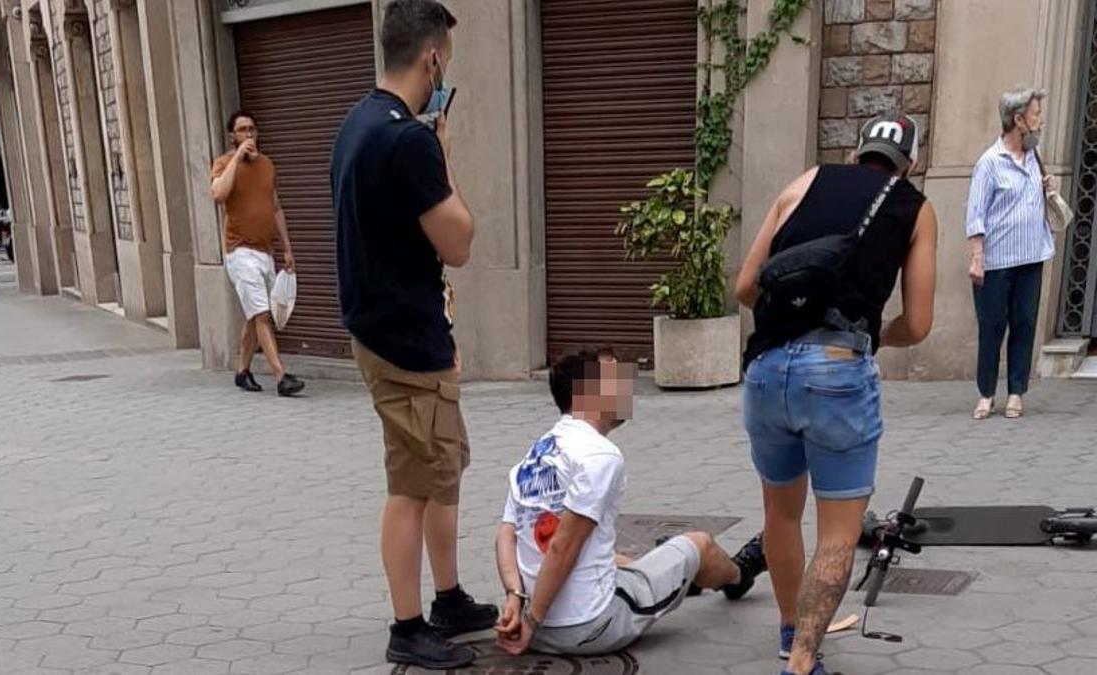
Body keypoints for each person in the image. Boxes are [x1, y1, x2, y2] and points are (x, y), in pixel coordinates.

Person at [734, 112, 938, 675]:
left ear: (857, 152)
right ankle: (801, 663)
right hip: (837, 368)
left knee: (780, 514)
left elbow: (745, 286)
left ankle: (787, 631)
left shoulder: (803, 183)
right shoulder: (915, 206)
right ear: (910, 162)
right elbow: (918, 323)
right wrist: (876, 336)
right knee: (839, 534)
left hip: (767, 370)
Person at [331, 0, 493, 669]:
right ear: (431, 58)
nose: (443, 72)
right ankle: (407, 623)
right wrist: (444, 156)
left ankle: (448, 597)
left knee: (441, 467)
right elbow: (458, 240)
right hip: (402, 340)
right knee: (412, 482)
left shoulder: (357, 122)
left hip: (396, 327)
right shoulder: (410, 139)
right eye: (445, 62)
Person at [493, 349, 767, 657]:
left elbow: (507, 535)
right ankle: (738, 576)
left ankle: (676, 572)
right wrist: (532, 621)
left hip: (540, 625)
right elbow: (562, 546)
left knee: (618, 558)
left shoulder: (534, 456)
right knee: (699, 544)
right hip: (591, 625)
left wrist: (515, 600)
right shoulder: (599, 455)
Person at [965, 87, 1056, 420]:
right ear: (1018, 120)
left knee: (1025, 323)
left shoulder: (1034, 157)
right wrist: (978, 257)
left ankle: (1016, 392)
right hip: (997, 260)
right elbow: (975, 213)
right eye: (1035, 115)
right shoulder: (990, 163)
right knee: (992, 327)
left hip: (1031, 256)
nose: (1040, 121)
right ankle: (986, 394)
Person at [209, 110, 305, 398]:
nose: (249, 135)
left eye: (252, 129)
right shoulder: (225, 163)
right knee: (262, 314)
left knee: (254, 315)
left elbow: (275, 206)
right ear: (233, 136)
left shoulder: (266, 165)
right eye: (242, 130)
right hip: (240, 252)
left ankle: (242, 371)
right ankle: (281, 376)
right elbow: (218, 194)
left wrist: (287, 247)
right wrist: (237, 159)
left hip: (265, 251)